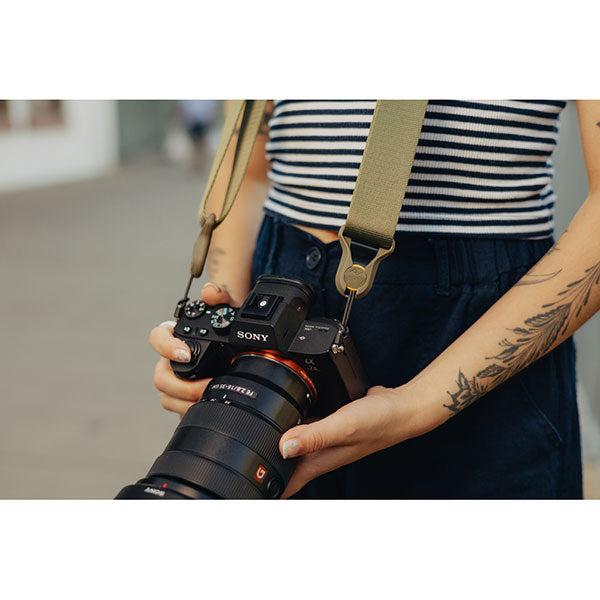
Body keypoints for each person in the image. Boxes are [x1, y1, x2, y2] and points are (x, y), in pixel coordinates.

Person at [150, 100, 600, 499]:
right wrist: (228, 328)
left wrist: (417, 404)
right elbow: (248, 168)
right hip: (282, 269)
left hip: (475, 328)